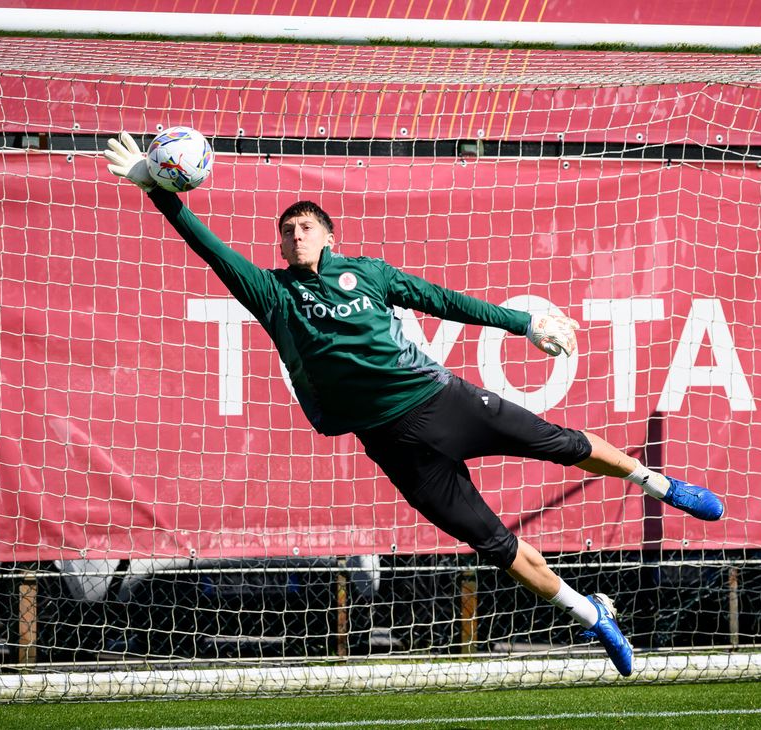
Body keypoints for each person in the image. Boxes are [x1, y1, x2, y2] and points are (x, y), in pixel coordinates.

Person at [105, 133, 724, 677]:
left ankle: (660, 485)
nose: (295, 236)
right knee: (492, 544)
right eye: (286, 231)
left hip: (441, 401)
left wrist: (522, 324)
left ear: (329, 235)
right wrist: (155, 191)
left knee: (560, 444)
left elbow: (440, 300)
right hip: (392, 443)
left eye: (306, 227)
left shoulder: (368, 275)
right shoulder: (272, 292)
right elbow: (210, 248)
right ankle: (591, 615)